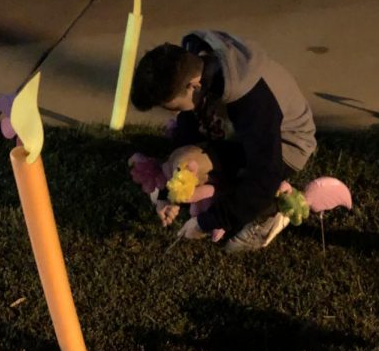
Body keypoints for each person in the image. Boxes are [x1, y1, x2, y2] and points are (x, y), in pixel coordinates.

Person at [130, 30, 316, 253]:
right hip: (241, 132)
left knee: (249, 181)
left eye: (173, 107)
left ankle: (272, 210)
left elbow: (265, 175)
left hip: (287, 146)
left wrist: (207, 222)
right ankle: (228, 186)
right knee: (184, 160)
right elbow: (190, 123)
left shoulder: (253, 101)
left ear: (193, 86)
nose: (173, 113)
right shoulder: (194, 63)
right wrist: (168, 195)